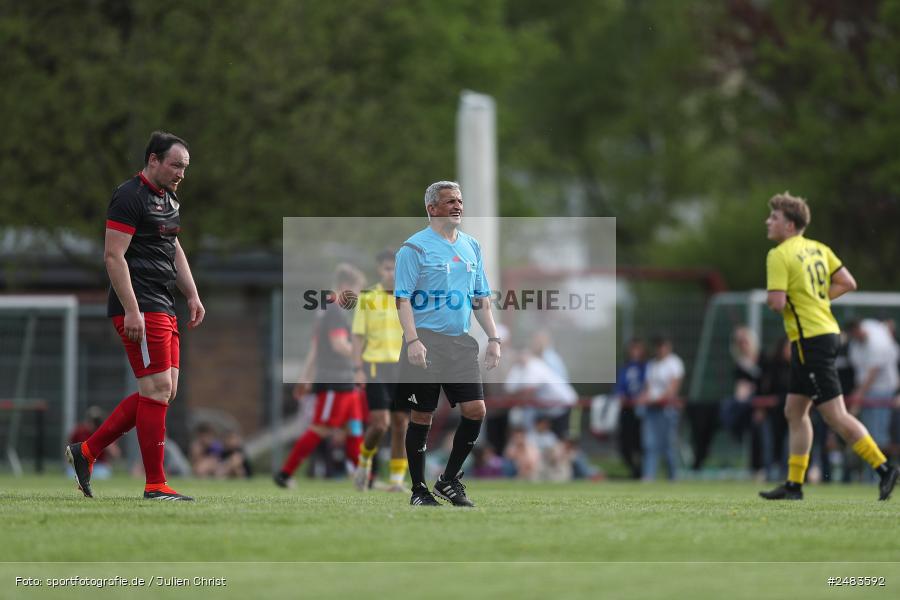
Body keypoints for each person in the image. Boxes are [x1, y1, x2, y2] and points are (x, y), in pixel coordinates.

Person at [66, 131, 204, 501]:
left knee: (164, 390)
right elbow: (113, 257)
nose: (181, 174)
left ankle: (87, 451)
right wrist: (131, 309)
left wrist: (191, 293)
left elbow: (174, 248)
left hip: (163, 302)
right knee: (156, 390)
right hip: (140, 304)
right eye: (175, 165)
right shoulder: (129, 196)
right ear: (153, 160)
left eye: (185, 168)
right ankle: (155, 484)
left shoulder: (170, 199)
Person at [759, 192, 899, 500]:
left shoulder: (779, 254)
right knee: (794, 411)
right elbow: (848, 282)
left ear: (790, 224)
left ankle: (885, 468)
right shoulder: (820, 249)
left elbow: (776, 302)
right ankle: (794, 485)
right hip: (822, 335)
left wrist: (786, 301)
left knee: (835, 415)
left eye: (775, 217)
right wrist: (817, 299)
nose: (768, 221)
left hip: (810, 339)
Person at [394, 181, 502, 506]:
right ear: (432, 209)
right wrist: (412, 340)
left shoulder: (471, 246)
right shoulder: (413, 249)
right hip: (424, 342)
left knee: (476, 410)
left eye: (459, 200)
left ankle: (449, 479)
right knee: (422, 416)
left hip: (460, 344)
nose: (457, 205)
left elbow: (481, 298)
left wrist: (494, 338)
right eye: (450, 201)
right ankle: (418, 491)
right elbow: (403, 300)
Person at [274, 264, 366, 488]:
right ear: (346, 287)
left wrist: (306, 377)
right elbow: (338, 345)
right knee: (321, 427)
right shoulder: (334, 310)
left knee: (355, 427)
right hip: (335, 380)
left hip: (346, 380)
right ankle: (285, 474)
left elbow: (315, 348)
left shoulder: (326, 309)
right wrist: (366, 353)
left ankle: (364, 477)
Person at [351, 249, 410, 492]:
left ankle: (397, 480)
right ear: (379, 270)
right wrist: (357, 368)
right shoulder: (367, 298)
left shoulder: (407, 297)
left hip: (402, 368)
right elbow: (357, 337)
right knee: (380, 424)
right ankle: (364, 462)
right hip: (375, 365)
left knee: (401, 424)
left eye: (395, 268)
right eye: (387, 268)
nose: (392, 273)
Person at [636, 335, 684, 481]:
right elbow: (648, 387)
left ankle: (672, 477)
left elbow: (673, 387)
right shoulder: (652, 364)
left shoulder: (674, 363)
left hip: (667, 409)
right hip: (652, 409)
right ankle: (649, 475)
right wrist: (643, 397)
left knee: (668, 445)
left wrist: (657, 398)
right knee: (650, 444)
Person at [614, 338, 646, 479]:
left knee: (641, 444)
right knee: (625, 445)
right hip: (627, 410)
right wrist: (620, 396)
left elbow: (648, 385)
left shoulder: (646, 367)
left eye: (637, 349)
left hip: (642, 410)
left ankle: (643, 471)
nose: (634, 352)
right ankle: (635, 471)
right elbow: (619, 388)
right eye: (632, 349)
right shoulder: (624, 368)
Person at [67, 407, 122, 480]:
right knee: (71, 474)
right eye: (91, 420)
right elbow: (68, 449)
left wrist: (104, 440)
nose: (93, 424)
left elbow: (116, 454)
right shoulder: (80, 431)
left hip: (99, 466)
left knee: (102, 474)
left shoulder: (105, 432)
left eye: (96, 421)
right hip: (81, 465)